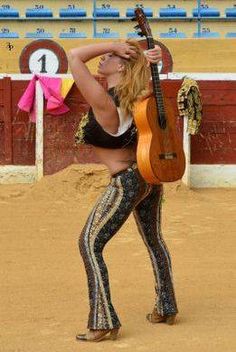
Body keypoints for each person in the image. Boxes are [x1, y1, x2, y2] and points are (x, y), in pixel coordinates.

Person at [67, 39, 178, 342]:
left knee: (89, 244)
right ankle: (166, 305)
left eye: (110, 57)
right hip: (148, 177)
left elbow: (74, 55)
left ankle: (103, 321)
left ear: (121, 66)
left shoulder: (105, 100)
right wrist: (146, 57)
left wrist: (116, 44)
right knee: (154, 240)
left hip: (126, 180)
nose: (102, 58)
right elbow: (146, 76)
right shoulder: (138, 98)